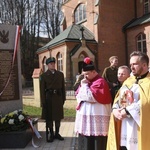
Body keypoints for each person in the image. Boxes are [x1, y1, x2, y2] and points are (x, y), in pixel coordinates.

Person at [107, 51, 150, 150]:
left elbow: (146, 102)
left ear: (144, 65)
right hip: (125, 126)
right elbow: (119, 98)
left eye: (135, 64)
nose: (132, 67)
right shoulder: (129, 81)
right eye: (130, 64)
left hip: (140, 127)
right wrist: (115, 109)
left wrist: (127, 111)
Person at [74, 57, 112, 150]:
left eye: (87, 74)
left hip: (96, 118)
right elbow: (78, 96)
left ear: (94, 72)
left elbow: (91, 97)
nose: (85, 76)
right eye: (84, 74)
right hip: (86, 119)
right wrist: (84, 85)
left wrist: (84, 85)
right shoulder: (86, 81)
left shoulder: (100, 82)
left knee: (97, 144)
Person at [40, 57, 66, 142]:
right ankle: (51, 133)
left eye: (54, 63)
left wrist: (63, 98)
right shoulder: (44, 76)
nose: (53, 65)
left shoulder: (60, 74)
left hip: (58, 97)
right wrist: (43, 102)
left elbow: (63, 88)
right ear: (47, 65)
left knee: (58, 117)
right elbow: (42, 90)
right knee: (50, 117)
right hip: (49, 98)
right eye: (51, 63)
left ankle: (57, 133)